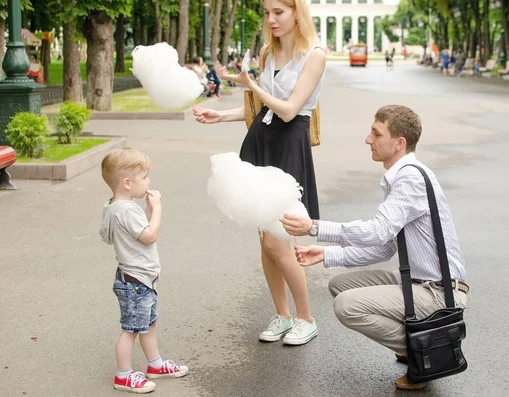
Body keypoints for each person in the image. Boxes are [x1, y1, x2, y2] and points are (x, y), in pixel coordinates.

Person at [280, 105, 469, 390]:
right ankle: (413, 345)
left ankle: (425, 351)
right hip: (420, 282)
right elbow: (385, 247)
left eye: (376, 133)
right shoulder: (405, 175)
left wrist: (315, 228)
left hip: (440, 293)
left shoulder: (410, 178)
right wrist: (328, 254)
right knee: (341, 285)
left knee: (346, 306)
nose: (368, 139)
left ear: (399, 143)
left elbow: (378, 231)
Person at [192, 0, 326, 346]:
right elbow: (260, 108)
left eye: (278, 12)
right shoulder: (268, 52)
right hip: (262, 142)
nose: (271, 19)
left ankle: (306, 318)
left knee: (279, 241)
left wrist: (250, 84)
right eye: (267, 13)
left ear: (297, 11)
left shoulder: (314, 54)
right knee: (266, 242)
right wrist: (220, 115)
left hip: (288, 143)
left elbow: (288, 109)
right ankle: (282, 315)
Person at [99, 147, 189, 394]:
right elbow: (149, 236)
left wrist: (148, 213)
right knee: (130, 330)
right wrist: (157, 208)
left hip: (135, 279)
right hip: (136, 280)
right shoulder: (128, 209)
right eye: (145, 177)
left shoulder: (112, 207)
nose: (148, 182)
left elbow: (109, 236)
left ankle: (155, 364)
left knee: (148, 324)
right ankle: (124, 376)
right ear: (127, 183)